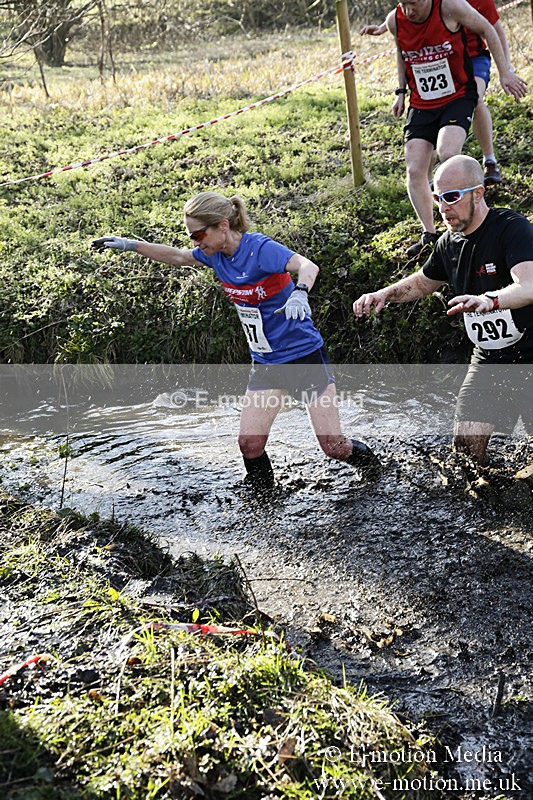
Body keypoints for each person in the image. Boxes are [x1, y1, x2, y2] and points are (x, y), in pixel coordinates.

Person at [92, 192, 380, 490]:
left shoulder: (260, 250)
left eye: (199, 234)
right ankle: (262, 501)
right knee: (249, 444)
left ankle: (377, 476)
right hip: (267, 362)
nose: (195, 242)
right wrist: (130, 245)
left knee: (333, 447)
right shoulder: (214, 254)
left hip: (303, 357)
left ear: (223, 226)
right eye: (191, 236)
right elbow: (179, 257)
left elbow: (308, 266)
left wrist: (300, 292)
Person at [353, 154, 533, 465]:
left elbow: (528, 285)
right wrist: (384, 294)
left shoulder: (511, 228)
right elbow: (423, 282)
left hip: (530, 353)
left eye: (451, 197)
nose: (442, 207)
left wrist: (490, 300)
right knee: (465, 450)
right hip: (489, 358)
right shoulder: (449, 243)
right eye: (437, 198)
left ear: (478, 193)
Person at [364, 0, 527, 258]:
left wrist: (505, 71)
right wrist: (400, 92)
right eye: (404, 4)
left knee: (448, 153)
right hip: (422, 101)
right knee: (415, 168)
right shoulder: (396, 19)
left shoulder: (450, 7)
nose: (409, 10)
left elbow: (489, 28)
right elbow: (401, 52)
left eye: (414, 4)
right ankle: (429, 235)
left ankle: (475, 221)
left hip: (457, 95)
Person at [360, 0, 516, 186]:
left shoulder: (465, 3)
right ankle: (429, 179)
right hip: (439, 60)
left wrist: (506, 70)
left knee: (475, 98)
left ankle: (489, 160)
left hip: (472, 57)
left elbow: (494, 29)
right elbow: (410, 14)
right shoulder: (421, 7)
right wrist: (384, 26)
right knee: (432, 117)